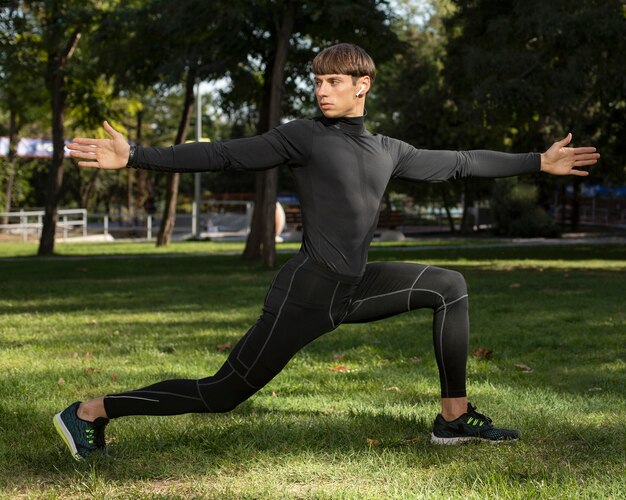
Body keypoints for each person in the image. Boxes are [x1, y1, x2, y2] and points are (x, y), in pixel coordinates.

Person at [55, 43, 599, 460]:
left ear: (363, 86)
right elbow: (224, 154)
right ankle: (91, 411)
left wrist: (536, 160)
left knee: (449, 285)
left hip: (355, 288)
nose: (321, 90)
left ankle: (452, 418)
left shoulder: (390, 150)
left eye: (333, 81)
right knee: (222, 393)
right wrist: (137, 158)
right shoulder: (304, 137)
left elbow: (459, 161)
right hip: (309, 292)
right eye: (317, 81)